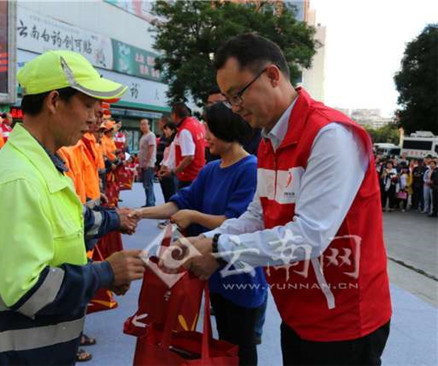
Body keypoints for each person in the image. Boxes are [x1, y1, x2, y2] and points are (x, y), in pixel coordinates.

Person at [176, 33, 391, 365]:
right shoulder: (267, 142)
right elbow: (258, 215)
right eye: (229, 100)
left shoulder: (329, 136)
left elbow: (309, 237)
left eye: (237, 95)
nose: (235, 108)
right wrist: (206, 240)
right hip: (298, 312)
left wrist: (220, 249)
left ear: (272, 76)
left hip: (345, 320)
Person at [0, 50, 145, 365]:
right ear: (53, 102)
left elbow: (70, 222)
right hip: (17, 356)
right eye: (89, 106)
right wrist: (105, 272)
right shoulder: (19, 179)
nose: (95, 118)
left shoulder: (43, 165)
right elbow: (29, 290)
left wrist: (114, 219)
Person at [132, 102, 267, 365]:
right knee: (223, 344)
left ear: (228, 129)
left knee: (242, 347)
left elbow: (238, 222)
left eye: (211, 129)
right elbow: (180, 202)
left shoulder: (250, 168)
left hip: (240, 273)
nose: (205, 136)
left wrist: (193, 217)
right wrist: (139, 213)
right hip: (212, 270)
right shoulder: (210, 170)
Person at [170, 102, 206, 188]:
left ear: (175, 115)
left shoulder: (185, 130)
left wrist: (174, 172)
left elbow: (189, 157)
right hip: (199, 173)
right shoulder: (197, 124)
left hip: (188, 177)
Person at [138, 119, 156, 207]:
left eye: (145, 124)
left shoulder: (151, 135)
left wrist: (147, 162)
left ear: (149, 125)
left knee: (148, 184)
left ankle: (150, 203)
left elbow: (151, 149)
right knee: (146, 183)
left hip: (148, 163)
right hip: (143, 163)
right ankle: (150, 201)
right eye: (141, 124)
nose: (143, 126)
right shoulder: (143, 136)